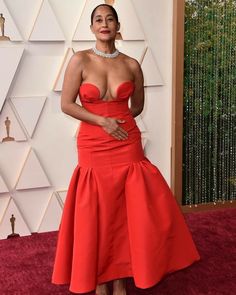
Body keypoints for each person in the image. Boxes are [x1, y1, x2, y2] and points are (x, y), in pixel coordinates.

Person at [52, 4, 200, 295]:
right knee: (98, 210)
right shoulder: (79, 61)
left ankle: (120, 278)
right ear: (92, 27)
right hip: (94, 142)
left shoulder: (132, 64)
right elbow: (66, 104)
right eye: (98, 19)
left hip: (126, 141)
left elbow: (138, 105)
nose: (104, 24)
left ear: (118, 26)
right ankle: (99, 279)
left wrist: (120, 122)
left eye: (110, 19)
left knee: (124, 210)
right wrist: (101, 121)